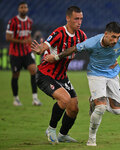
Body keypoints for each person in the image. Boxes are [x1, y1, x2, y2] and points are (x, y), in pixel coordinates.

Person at [32, 22, 120, 146]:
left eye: (117, 37)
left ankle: (65, 132)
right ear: (106, 34)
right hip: (95, 75)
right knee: (98, 108)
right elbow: (73, 49)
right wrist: (55, 57)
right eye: (113, 37)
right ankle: (90, 140)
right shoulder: (92, 42)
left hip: (112, 75)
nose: (115, 40)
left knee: (117, 110)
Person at [31, 6, 87, 144]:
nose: (79, 22)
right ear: (68, 18)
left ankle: (63, 135)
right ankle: (51, 129)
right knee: (65, 99)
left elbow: (92, 48)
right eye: (76, 19)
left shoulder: (81, 36)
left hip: (62, 77)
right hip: (45, 75)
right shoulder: (59, 33)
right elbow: (46, 44)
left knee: (74, 108)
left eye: (81, 19)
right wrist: (40, 50)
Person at [6, 1, 41, 106]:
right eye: (21, 7)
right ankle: (16, 99)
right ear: (18, 9)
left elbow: (28, 38)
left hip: (26, 52)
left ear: (27, 9)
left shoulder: (29, 21)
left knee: (34, 71)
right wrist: (22, 41)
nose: (23, 9)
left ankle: (35, 99)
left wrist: (33, 48)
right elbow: (8, 38)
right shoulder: (12, 22)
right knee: (16, 75)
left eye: (25, 7)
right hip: (15, 53)